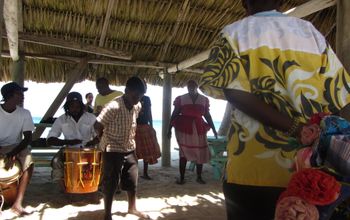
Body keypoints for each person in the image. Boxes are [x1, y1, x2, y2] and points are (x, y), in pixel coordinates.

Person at [199, 0, 350, 219]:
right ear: (281, 1)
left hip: (250, 168)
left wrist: (295, 128)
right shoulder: (311, 34)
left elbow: (235, 93)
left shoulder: (233, 34)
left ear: (244, 2)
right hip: (307, 170)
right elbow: (338, 95)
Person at [94, 76, 149, 220]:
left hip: (129, 148)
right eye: (135, 95)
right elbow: (97, 125)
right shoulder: (113, 106)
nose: (137, 99)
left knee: (132, 179)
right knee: (111, 182)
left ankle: (132, 208)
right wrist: (103, 140)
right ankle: (107, 214)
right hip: (112, 148)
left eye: (140, 96)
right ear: (126, 91)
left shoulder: (137, 106)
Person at [167, 80, 218, 185]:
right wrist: (169, 129)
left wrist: (213, 128)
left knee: (200, 153)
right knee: (184, 152)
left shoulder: (204, 100)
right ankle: (181, 177)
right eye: (189, 86)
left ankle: (199, 177)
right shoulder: (181, 99)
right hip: (184, 129)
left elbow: (207, 115)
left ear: (197, 87)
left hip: (199, 128)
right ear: (186, 87)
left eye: (193, 86)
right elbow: (174, 114)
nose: (190, 88)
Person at [47, 92, 99, 186]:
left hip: (88, 150)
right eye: (72, 106)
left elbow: (99, 136)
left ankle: (92, 185)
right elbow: (50, 139)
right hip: (68, 149)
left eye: (78, 106)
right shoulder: (61, 119)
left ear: (82, 106)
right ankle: (62, 187)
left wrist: (92, 142)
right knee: (56, 162)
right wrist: (68, 142)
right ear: (67, 107)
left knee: (100, 163)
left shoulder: (91, 118)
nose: (75, 109)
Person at [0, 82, 34, 216]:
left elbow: (27, 139)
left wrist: (13, 153)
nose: (23, 96)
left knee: (29, 162)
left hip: (15, 145)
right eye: (19, 93)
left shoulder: (25, 113)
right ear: (9, 95)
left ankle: (17, 204)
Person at [135, 82, 161, 180]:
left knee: (146, 152)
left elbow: (149, 112)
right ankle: (135, 173)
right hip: (135, 127)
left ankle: (145, 173)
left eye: (145, 87)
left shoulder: (147, 99)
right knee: (135, 152)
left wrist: (152, 126)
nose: (144, 88)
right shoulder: (132, 98)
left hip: (145, 126)